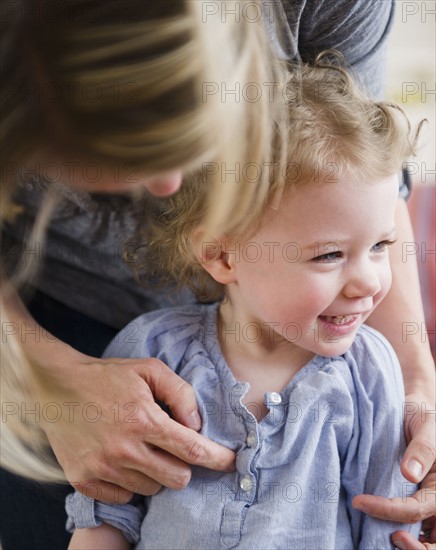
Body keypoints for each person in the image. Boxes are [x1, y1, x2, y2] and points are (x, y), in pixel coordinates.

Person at [0, 0, 434, 549]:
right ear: (221, 255)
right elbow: (104, 514)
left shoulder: (370, 375)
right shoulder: (151, 346)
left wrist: (417, 379)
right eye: (327, 256)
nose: (168, 186)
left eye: (382, 249)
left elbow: (362, 174)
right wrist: (52, 383)